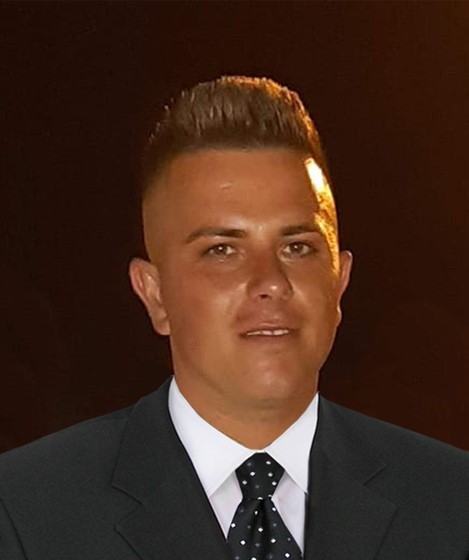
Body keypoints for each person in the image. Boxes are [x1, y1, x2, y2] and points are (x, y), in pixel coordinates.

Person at [0, 76, 467, 560]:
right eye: (222, 250)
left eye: (297, 247)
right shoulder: (24, 512)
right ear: (155, 294)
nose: (271, 282)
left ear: (340, 282)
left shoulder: (454, 504)